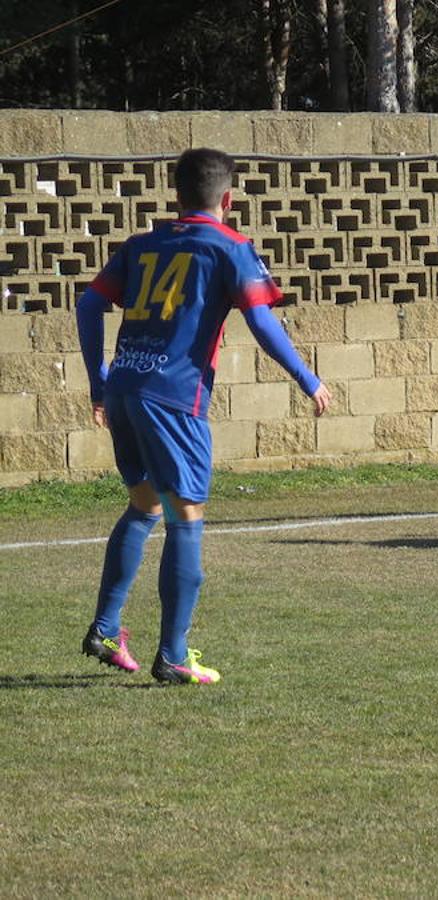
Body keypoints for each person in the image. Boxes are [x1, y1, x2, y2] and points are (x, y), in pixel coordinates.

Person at [76, 147, 332, 685]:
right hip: (174, 398)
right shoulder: (230, 247)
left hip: (125, 387)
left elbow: (88, 304)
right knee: (186, 519)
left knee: (144, 502)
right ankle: (172, 654)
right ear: (229, 198)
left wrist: (98, 381)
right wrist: (308, 379)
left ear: (176, 195)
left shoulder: (141, 245)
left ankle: (105, 628)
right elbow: (262, 323)